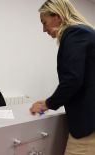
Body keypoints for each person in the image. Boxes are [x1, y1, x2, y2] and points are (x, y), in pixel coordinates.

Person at [29, 0, 95, 155]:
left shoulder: (75, 34)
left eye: (44, 23)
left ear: (57, 16)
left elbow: (72, 79)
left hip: (88, 126)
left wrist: (48, 103)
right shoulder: (86, 33)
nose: (44, 30)